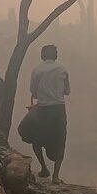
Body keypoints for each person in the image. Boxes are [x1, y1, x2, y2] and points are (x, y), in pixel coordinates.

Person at [28, 44, 70, 184]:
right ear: (56, 56)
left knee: (36, 138)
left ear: (42, 56)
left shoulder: (36, 70)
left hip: (43, 109)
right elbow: (67, 91)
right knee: (60, 140)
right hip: (58, 109)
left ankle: (44, 168)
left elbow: (33, 91)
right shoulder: (63, 69)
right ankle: (56, 176)